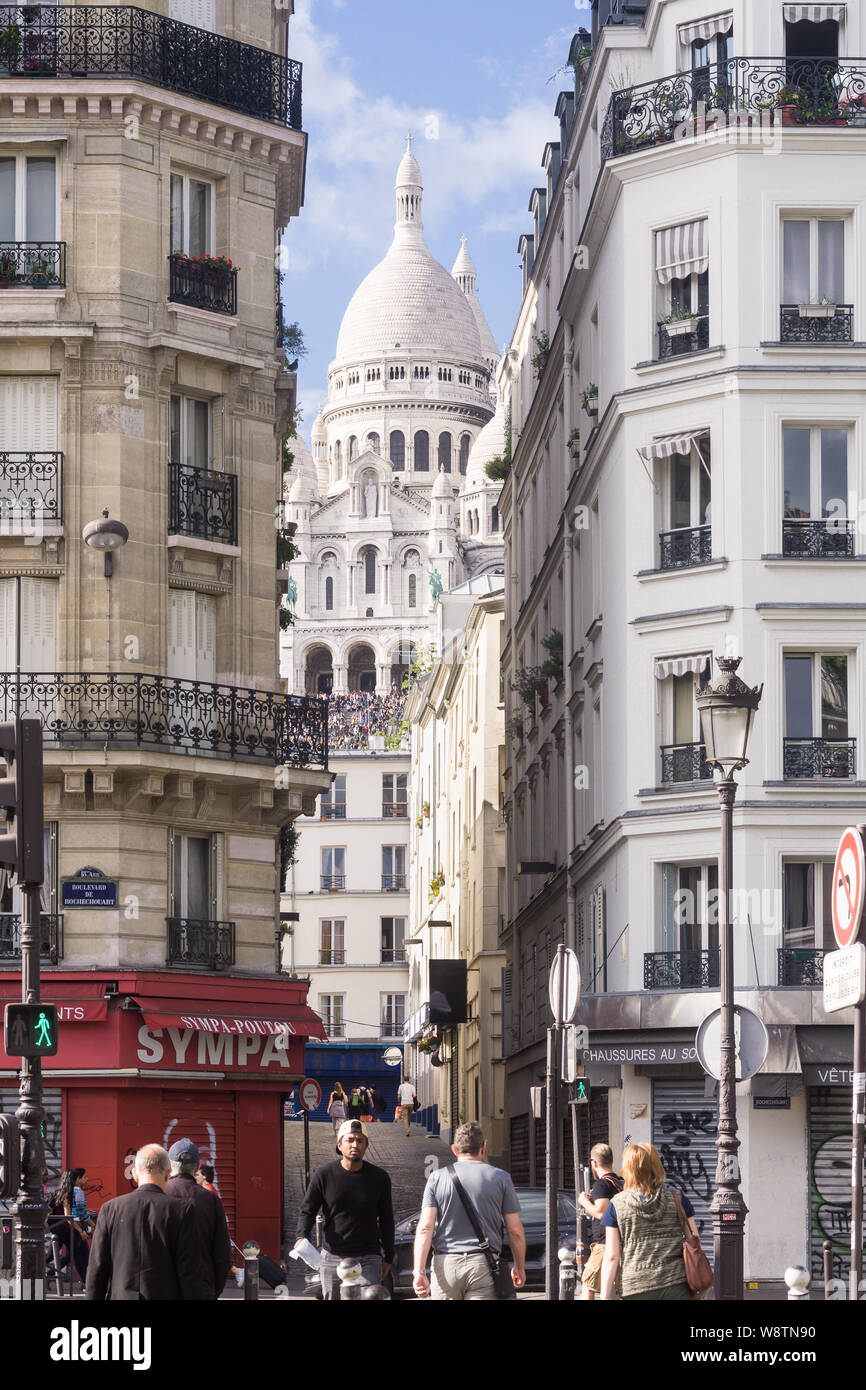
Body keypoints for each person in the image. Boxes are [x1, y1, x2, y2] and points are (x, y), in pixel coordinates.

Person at [412, 1121, 526, 1301]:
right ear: (483, 1148)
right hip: (483, 1265)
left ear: (454, 1150)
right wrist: (519, 1266)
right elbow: (515, 1231)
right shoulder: (501, 1178)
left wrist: (419, 1271)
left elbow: (425, 1227)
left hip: (446, 1265)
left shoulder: (436, 1178)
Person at [294, 1119, 394, 1300]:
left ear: (366, 1146)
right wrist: (301, 1236)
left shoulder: (380, 1178)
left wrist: (388, 1256)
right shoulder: (323, 1175)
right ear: (340, 1145)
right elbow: (308, 1209)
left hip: (368, 1258)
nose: (355, 1144)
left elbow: (387, 1220)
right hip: (332, 1258)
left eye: (360, 1140)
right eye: (350, 1140)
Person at [85, 1144, 200, 1301]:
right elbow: (188, 1270)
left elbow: (97, 1268)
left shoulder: (110, 1209)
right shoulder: (182, 1211)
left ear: (135, 1174)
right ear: (168, 1173)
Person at [600, 1142, 700, 1301]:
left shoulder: (616, 1205)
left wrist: (605, 1295)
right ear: (656, 1166)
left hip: (635, 1286)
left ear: (628, 1169)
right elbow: (694, 1238)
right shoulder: (677, 1198)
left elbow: (612, 1255)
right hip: (675, 1284)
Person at [165, 1138, 232, 1300]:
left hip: (164, 1288)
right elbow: (222, 1252)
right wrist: (215, 1289)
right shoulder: (211, 1200)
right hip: (202, 1288)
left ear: (169, 1165)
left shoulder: (159, 1195)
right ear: (196, 1167)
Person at [576, 1143, 623, 1300]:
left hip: (605, 1243)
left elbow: (601, 1213)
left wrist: (584, 1201)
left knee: (588, 1284)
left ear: (594, 1163)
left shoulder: (602, 1184)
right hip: (620, 1241)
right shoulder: (620, 1182)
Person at [48, 1168, 91, 1287]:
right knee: (76, 1256)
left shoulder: (63, 1192)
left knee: (77, 1255)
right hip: (64, 1231)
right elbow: (68, 1217)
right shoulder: (67, 1194)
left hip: (62, 1231)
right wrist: (81, 1231)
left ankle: (86, 1283)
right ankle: (45, 1275)